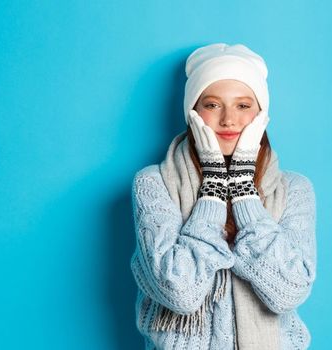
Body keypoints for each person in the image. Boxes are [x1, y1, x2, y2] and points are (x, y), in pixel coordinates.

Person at [130, 43, 317, 349]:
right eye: (213, 104)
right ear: (193, 113)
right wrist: (213, 186)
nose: (228, 119)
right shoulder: (154, 183)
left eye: (243, 105)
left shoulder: (294, 189)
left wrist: (244, 191)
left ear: (261, 115)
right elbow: (181, 293)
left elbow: (289, 292)